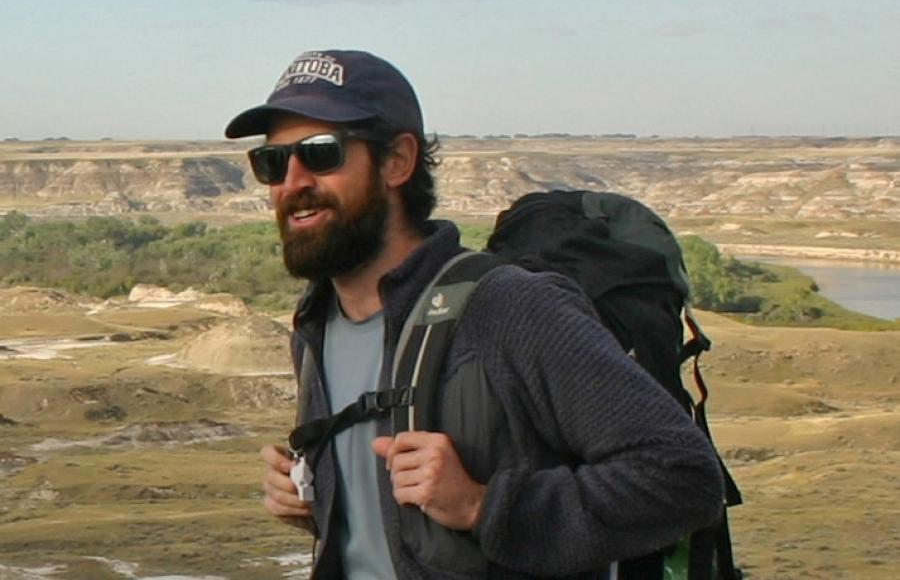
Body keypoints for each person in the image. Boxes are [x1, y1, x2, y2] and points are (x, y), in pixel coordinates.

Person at [225, 49, 725, 579]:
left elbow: (684, 477)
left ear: (398, 160)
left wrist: (484, 506)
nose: (292, 181)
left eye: (321, 153)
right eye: (272, 162)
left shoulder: (509, 308)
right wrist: (318, 498)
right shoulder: (315, 327)